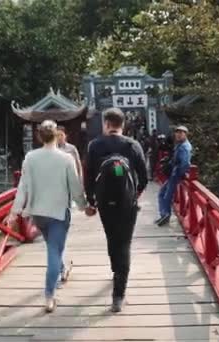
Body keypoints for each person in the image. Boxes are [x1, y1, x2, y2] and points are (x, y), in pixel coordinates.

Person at [5, 120, 90, 313]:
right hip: (59, 213)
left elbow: (23, 187)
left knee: (53, 245)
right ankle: (49, 295)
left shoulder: (30, 157)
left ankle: (62, 270)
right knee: (54, 250)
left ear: (39, 136)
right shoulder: (66, 158)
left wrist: (14, 211)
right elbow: (75, 187)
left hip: (38, 214)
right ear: (56, 135)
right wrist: (84, 206)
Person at [85, 108, 148, 312]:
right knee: (125, 243)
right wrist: (135, 194)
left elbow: (88, 177)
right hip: (126, 203)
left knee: (112, 238)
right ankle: (118, 294)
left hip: (105, 202)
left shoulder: (95, 145)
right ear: (123, 124)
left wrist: (91, 201)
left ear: (106, 124)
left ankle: (115, 271)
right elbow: (144, 177)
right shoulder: (133, 145)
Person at [155, 125, 192, 226]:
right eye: (177, 132)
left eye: (181, 133)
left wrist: (179, 174)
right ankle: (164, 214)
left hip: (176, 174)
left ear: (186, 134)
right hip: (174, 173)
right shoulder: (179, 145)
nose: (178, 135)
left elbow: (185, 163)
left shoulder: (185, 147)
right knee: (162, 193)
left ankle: (166, 214)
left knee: (166, 195)